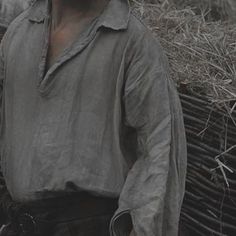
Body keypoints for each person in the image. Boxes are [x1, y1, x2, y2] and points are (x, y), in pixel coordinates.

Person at [0, 0, 187, 235]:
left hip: (91, 224)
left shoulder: (133, 44)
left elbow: (157, 156)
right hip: (22, 224)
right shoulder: (18, 34)